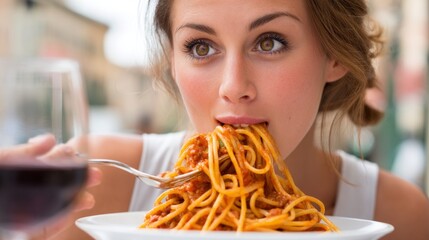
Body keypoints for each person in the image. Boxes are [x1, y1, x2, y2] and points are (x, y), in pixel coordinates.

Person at [2, 0, 428, 239]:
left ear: (333, 55)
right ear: (173, 60)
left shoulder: (398, 214)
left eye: (269, 42)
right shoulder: (99, 190)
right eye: (201, 47)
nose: (233, 86)